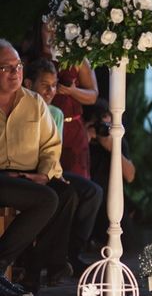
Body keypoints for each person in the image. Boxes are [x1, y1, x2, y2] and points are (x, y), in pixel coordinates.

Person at [0, 39, 75, 296]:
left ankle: (32, 271)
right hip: (2, 178)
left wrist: (43, 173)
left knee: (65, 194)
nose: (15, 72)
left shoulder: (34, 102)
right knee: (46, 199)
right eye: (6, 68)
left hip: (28, 174)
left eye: (18, 66)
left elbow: (51, 145)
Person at [23, 58, 103, 274]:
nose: (50, 91)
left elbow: (52, 151)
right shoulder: (21, 107)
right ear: (29, 85)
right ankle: (42, 263)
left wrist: (51, 173)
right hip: (24, 170)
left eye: (54, 86)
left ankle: (70, 254)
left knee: (90, 191)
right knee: (64, 195)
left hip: (47, 170)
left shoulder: (55, 113)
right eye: (45, 85)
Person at [25, 18, 98, 178]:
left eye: (56, 29)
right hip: (41, 125)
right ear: (40, 31)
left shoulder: (76, 58)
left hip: (72, 128)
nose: (52, 34)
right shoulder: (30, 59)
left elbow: (93, 95)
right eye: (48, 29)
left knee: (78, 181)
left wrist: (72, 91)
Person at [83, 99, 136, 248]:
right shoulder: (81, 138)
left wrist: (112, 148)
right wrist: (84, 137)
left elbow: (130, 176)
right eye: (97, 120)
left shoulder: (117, 142)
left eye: (106, 118)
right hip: (88, 198)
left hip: (111, 199)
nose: (102, 124)